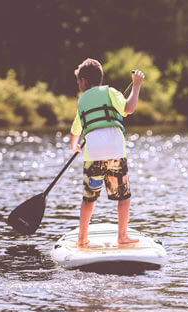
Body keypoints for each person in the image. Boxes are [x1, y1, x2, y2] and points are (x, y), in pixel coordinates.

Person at [70, 58, 144, 247]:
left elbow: (76, 129)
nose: (78, 85)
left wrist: (74, 146)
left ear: (84, 81)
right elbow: (129, 108)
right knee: (123, 196)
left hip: (93, 154)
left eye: (78, 81)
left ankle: (82, 238)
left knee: (89, 198)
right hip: (115, 152)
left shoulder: (82, 100)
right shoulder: (111, 92)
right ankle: (122, 236)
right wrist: (136, 86)